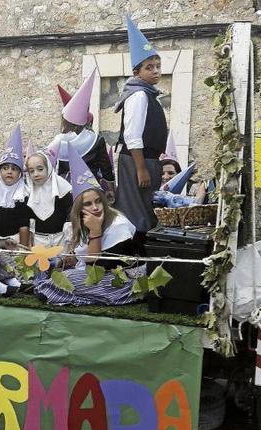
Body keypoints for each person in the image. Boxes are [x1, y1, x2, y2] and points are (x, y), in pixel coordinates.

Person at [34, 152, 142, 306]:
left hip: (122, 282)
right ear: (79, 208)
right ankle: (55, 291)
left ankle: (61, 294)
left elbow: (95, 270)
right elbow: (84, 257)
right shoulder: (84, 221)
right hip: (95, 275)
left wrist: (96, 231)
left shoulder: (119, 225)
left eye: (98, 201)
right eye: (88, 204)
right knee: (46, 265)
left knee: (68, 279)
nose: (95, 207)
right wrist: (73, 259)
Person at [114, 16, 169, 241]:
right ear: (138, 72)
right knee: (135, 213)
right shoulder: (138, 95)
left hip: (147, 160)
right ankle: (134, 252)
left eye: (157, 66)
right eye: (149, 67)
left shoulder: (148, 93)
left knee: (144, 209)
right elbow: (132, 134)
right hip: (138, 160)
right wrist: (141, 168)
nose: (155, 71)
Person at [50, 71, 116, 197]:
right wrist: (111, 188)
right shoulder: (96, 140)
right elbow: (106, 168)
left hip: (65, 189)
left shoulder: (58, 141)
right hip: (91, 187)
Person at [0, 125, 29, 247]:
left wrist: (23, 250)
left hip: (15, 243)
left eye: (14, 169)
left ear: (19, 173)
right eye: (5, 168)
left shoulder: (23, 195)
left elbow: (24, 226)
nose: (9, 171)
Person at [24, 147, 73, 247]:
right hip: (39, 240)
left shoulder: (61, 188)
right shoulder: (28, 192)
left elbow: (70, 214)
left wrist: (70, 241)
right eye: (31, 171)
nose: (36, 174)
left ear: (48, 168)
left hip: (61, 239)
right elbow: (28, 220)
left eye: (40, 169)